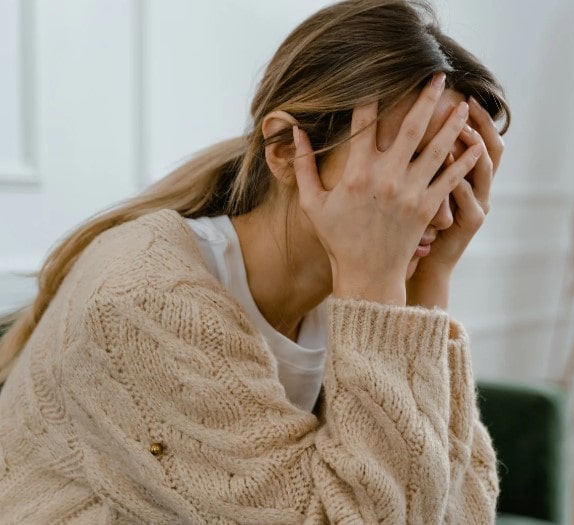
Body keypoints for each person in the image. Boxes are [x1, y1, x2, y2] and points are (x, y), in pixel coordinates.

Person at [0, 0, 510, 522]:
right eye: (409, 164)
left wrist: (429, 284)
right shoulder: (143, 302)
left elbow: (456, 513)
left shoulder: (357, 289)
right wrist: (384, 292)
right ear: (287, 149)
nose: (438, 210)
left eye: (458, 173)